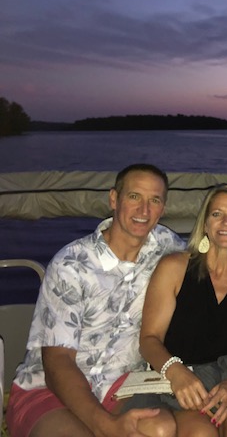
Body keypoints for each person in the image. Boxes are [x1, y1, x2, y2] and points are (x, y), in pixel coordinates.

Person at [5, 163, 186, 437]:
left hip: (121, 384)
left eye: (154, 200)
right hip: (49, 386)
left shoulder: (168, 248)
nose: (144, 211)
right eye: (134, 197)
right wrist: (105, 425)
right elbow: (58, 362)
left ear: (163, 207)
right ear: (114, 199)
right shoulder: (72, 264)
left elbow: (217, 264)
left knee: (160, 429)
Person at [126, 184, 227, 436]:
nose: (226, 222)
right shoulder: (174, 267)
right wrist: (177, 373)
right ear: (205, 224)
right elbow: (149, 340)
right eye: (217, 214)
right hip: (179, 376)